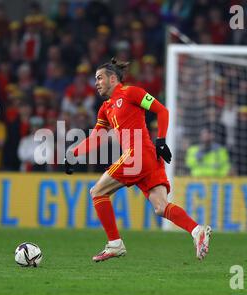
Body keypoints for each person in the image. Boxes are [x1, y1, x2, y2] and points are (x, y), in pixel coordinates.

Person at [65, 58, 212, 262]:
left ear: (113, 78)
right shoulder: (105, 109)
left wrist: (161, 140)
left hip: (139, 154)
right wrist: (74, 153)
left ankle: (115, 244)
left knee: (97, 192)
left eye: (100, 78)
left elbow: (162, 111)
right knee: (161, 207)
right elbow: (96, 137)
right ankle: (197, 231)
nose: (96, 82)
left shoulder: (131, 92)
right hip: (146, 159)